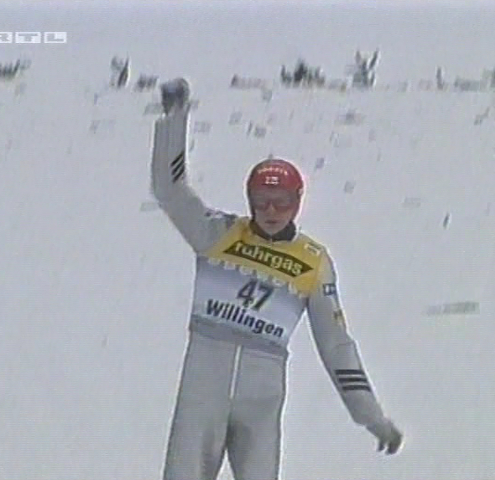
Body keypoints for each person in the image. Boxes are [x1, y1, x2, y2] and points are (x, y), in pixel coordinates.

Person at [150, 78, 403, 480]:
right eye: (261, 201)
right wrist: (174, 119)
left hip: (261, 401)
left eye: (282, 202)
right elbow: (169, 190)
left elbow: (336, 346)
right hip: (202, 392)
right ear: (249, 200)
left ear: (297, 202)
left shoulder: (312, 262)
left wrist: (371, 416)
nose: (271, 211)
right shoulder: (217, 234)